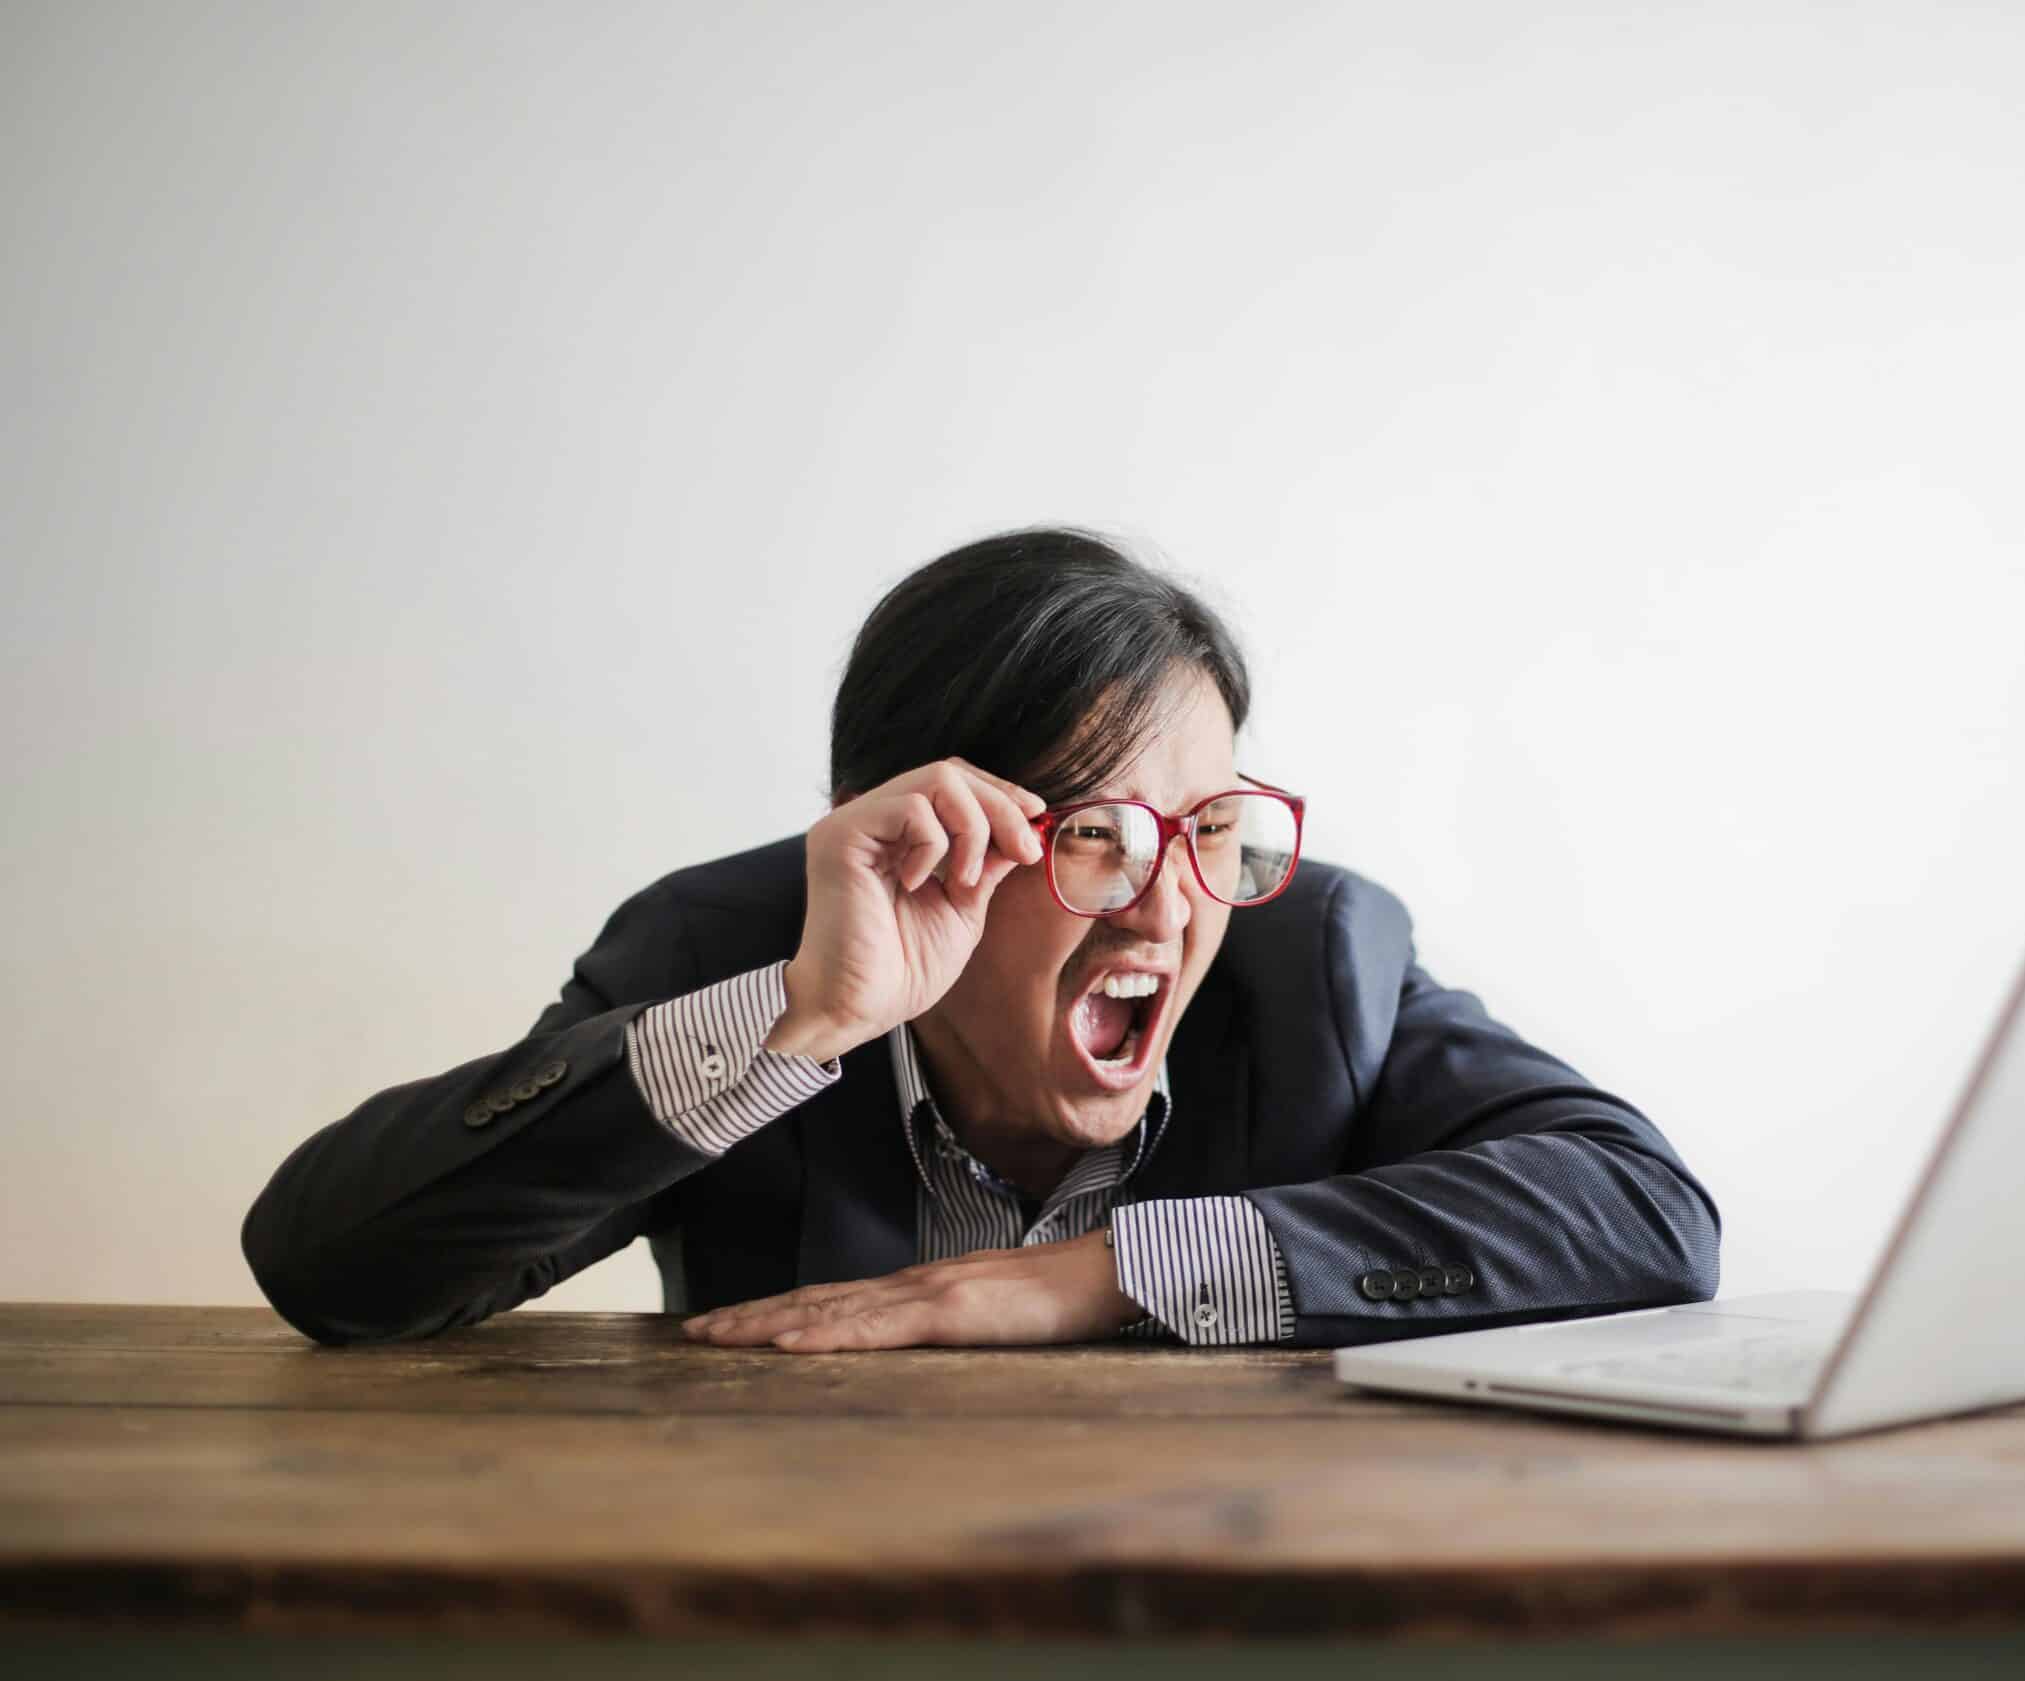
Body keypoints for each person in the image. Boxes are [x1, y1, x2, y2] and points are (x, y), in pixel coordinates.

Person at [242, 527, 1723, 1351]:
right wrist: (796, 1026)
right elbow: (328, 1265)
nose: (1167, 903)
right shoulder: (729, 947)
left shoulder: (1314, 955)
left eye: (1210, 825)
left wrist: (1090, 1274)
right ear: (908, 830)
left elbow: (1645, 1210)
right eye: (1092, 832)